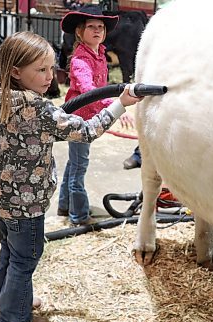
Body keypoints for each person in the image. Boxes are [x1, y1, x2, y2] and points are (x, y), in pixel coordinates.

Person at [0, 31, 142, 322]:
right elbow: (87, 131)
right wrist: (121, 103)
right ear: (17, 72)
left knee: (10, 251)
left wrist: (0, 158)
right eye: (41, 70)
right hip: (29, 206)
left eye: (51, 68)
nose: (50, 77)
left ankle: (5, 300)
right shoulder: (41, 110)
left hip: (0, 199)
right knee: (25, 260)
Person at [57, 5, 130, 224]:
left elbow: (101, 87)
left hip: (88, 119)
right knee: (79, 167)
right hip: (79, 121)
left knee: (74, 164)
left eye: (100, 27)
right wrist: (116, 104)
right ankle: (78, 216)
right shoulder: (80, 60)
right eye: (91, 27)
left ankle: (64, 205)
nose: (97, 30)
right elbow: (89, 91)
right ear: (80, 32)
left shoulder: (99, 55)